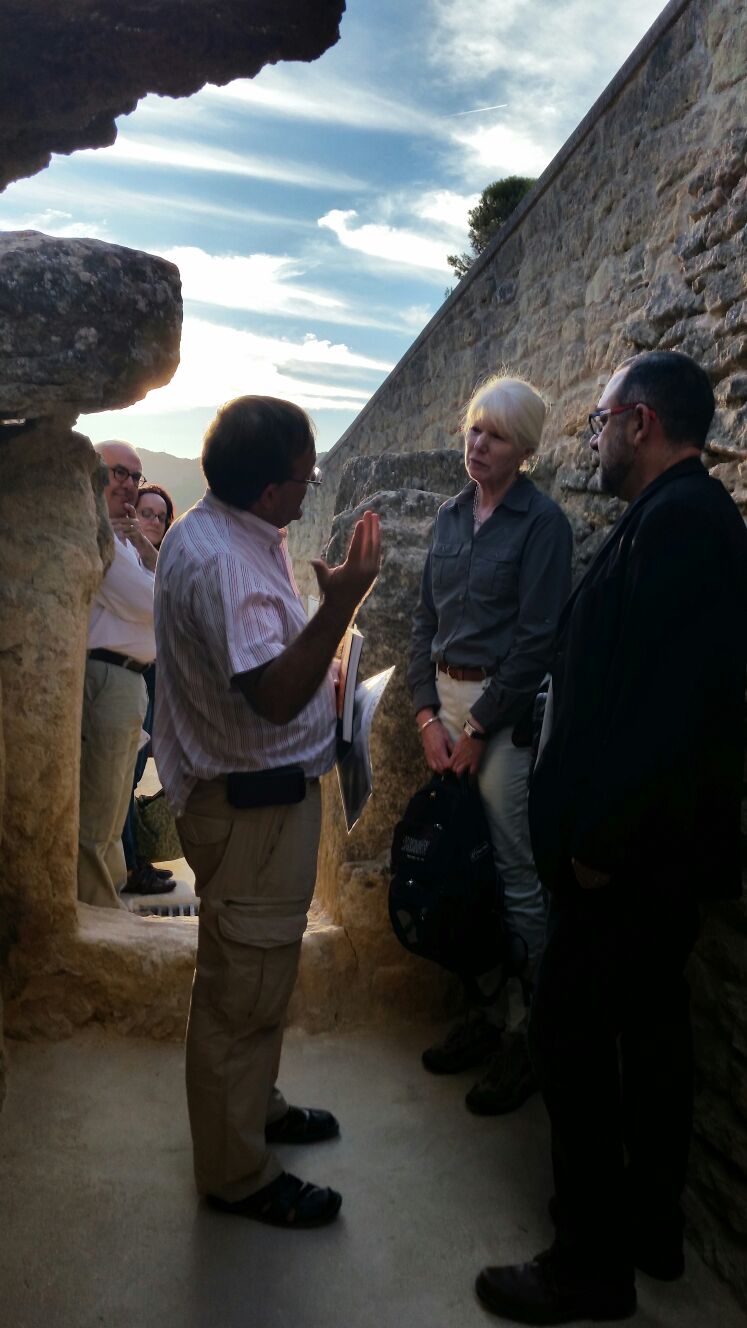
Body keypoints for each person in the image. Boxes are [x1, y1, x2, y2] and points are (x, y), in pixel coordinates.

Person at [476, 350, 747, 1323]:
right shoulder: (680, 519)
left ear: (639, 422)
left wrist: (596, 842)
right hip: (646, 853)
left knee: (574, 1034)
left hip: (625, 860)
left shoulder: (682, 525)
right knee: (655, 1029)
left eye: (597, 420)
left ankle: (588, 1262)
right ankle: (652, 1226)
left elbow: (667, 711)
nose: (589, 437)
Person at [153, 395, 380, 1228]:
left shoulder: (224, 534)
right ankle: (235, 1174)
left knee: (257, 978)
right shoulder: (225, 563)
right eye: (301, 475)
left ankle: (256, 1106)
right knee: (238, 993)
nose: (309, 484)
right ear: (269, 491)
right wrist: (341, 605)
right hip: (250, 815)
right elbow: (278, 696)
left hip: (255, 806)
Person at [408, 375, 572, 1113]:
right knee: (456, 864)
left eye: (496, 435)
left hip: (500, 714)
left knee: (511, 868)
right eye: (475, 428)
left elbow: (537, 640)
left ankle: (524, 1036)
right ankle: (479, 1008)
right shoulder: (447, 518)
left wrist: (476, 729)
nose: (478, 444)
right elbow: (420, 625)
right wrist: (424, 718)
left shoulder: (543, 525)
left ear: (525, 449)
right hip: (442, 705)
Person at [78, 442, 156, 908]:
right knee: (97, 819)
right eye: (118, 472)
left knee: (111, 820)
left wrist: (147, 553)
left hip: (127, 682)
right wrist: (151, 583)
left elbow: (160, 602)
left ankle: (109, 913)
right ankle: (96, 921)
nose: (127, 484)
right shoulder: (96, 536)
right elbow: (154, 605)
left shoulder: (124, 545)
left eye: (135, 477)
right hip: (107, 680)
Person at [121, 483, 177, 895]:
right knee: (126, 776)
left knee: (134, 775)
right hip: (132, 674)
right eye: (147, 512)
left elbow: (172, 594)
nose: (154, 521)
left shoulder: (150, 560)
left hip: (153, 677)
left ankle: (134, 859)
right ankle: (129, 867)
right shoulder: (124, 555)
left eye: (161, 516)